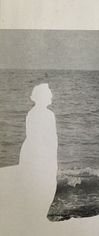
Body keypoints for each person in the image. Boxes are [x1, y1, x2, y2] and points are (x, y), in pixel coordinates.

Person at [19, 83, 58, 222]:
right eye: (49, 93)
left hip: (30, 152)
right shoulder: (48, 115)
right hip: (41, 154)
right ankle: (38, 219)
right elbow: (51, 139)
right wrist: (52, 159)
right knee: (45, 186)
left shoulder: (31, 113)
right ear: (43, 97)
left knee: (32, 186)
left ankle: (33, 219)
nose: (52, 96)